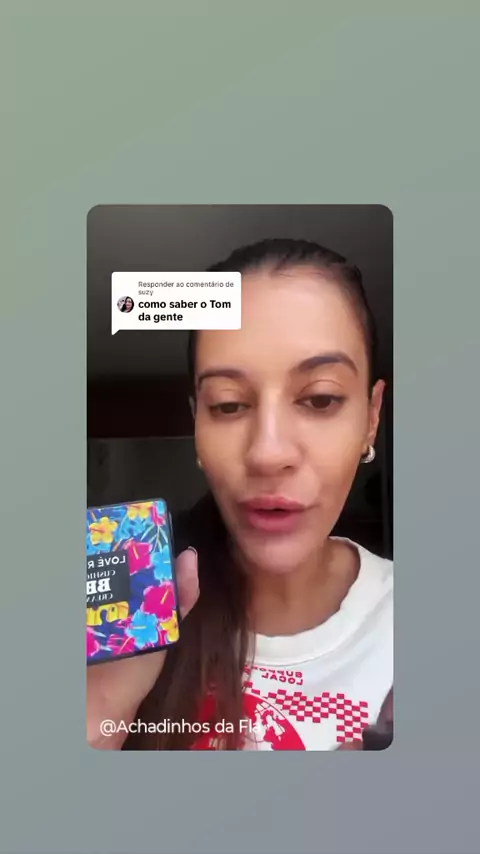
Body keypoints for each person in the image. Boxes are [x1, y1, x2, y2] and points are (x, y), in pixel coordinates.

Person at [87, 237, 393, 751]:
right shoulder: (125, 612)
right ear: (196, 425)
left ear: (371, 417)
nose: (268, 453)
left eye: (321, 399)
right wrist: (100, 709)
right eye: (228, 405)